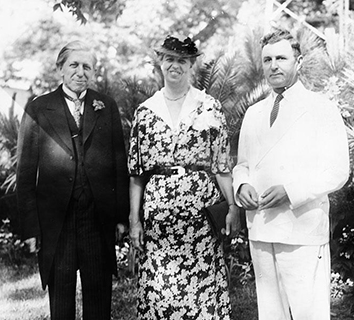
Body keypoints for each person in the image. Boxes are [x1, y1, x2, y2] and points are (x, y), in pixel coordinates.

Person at [233, 29, 349, 320]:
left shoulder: (321, 109)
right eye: (268, 59)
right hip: (261, 227)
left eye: (282, 58)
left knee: (308, 314)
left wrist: (290, 190)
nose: (274, 65)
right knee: (271, 314)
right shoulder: (254, 113)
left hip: (301, 229)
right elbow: (242, 164)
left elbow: (337, 171)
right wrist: (241, 185)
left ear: (298, 61)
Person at [128, 35, 241, 319]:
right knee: (160, 290)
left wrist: (232, 207)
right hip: (159, 219)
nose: (174, 66)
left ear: (191, 65)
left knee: (202, 293)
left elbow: (222, 166)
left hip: (200, 215)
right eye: (169, 59)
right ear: (160, 63)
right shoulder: (145, 112)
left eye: (181, 60)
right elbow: (137, 175)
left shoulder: (209, 106)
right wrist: (134, 221)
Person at [16, 40, 129, 320]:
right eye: (74, 65)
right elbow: (25, 174)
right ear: (60, 69)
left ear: (93, 72)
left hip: (97, 220)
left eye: (87, 66)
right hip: (58, 222)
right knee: (62, 306)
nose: (81, 72)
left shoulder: (107, 106)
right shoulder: (39, 109)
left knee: (99, 302)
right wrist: (31, 228)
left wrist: (120, 217)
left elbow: (119, 165)